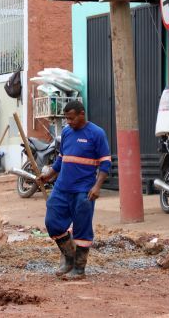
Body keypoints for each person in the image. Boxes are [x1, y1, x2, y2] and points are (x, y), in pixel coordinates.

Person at [35, 100, 110, 279]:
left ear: (81, 114)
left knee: (82, 228)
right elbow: (62, 159)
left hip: (84, 190)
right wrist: (49, 175)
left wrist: (97, 186)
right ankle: (69, 257)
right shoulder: (67, 133)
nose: (68, 122)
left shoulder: (97, 134)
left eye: (71, 118)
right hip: (62, 187)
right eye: (66, 119)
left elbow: (105, 163)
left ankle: (79, 268)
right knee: (53, 222)